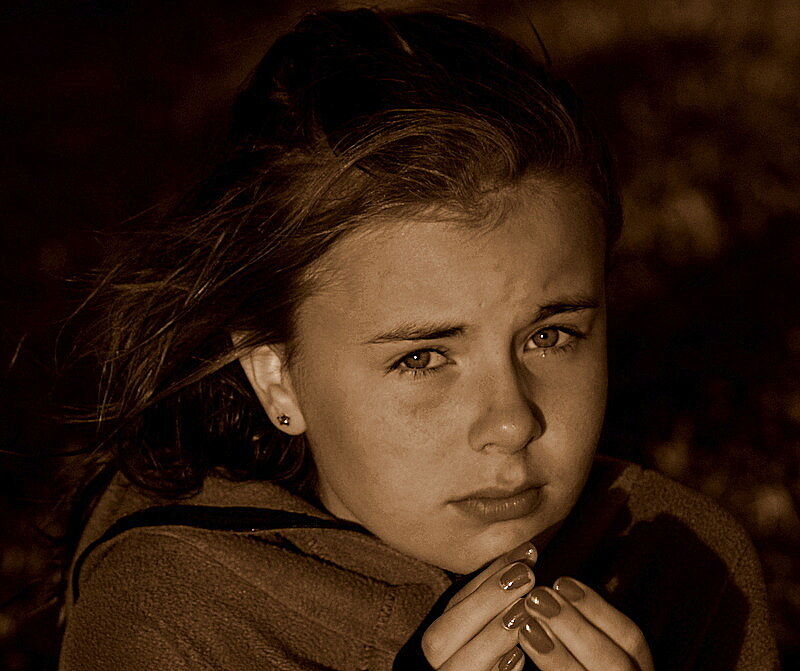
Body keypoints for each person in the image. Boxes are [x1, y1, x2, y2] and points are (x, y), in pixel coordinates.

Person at [57, 8, 779, 671]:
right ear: (277, 375)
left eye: (551, 335)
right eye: (422, 357)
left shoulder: (684, 568)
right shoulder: (171, 620)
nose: (511, 423)